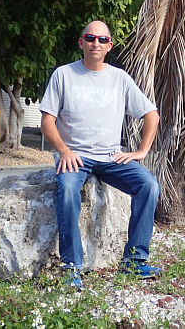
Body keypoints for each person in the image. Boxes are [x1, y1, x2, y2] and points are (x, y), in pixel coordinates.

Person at [39, 20, 161, 290]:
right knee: (68, 190)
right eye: (90, 38)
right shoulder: (63, 75)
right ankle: (71, 266)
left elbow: (151, 114)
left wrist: (141, 151)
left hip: (110, 158)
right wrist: (64, 151)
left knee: (149, 185)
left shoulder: (120, 79)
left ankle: (134, 261)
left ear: (109, 46)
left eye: (102, 39)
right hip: (75, 157)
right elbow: (47, 121)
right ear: (81, 42)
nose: (96, 43)